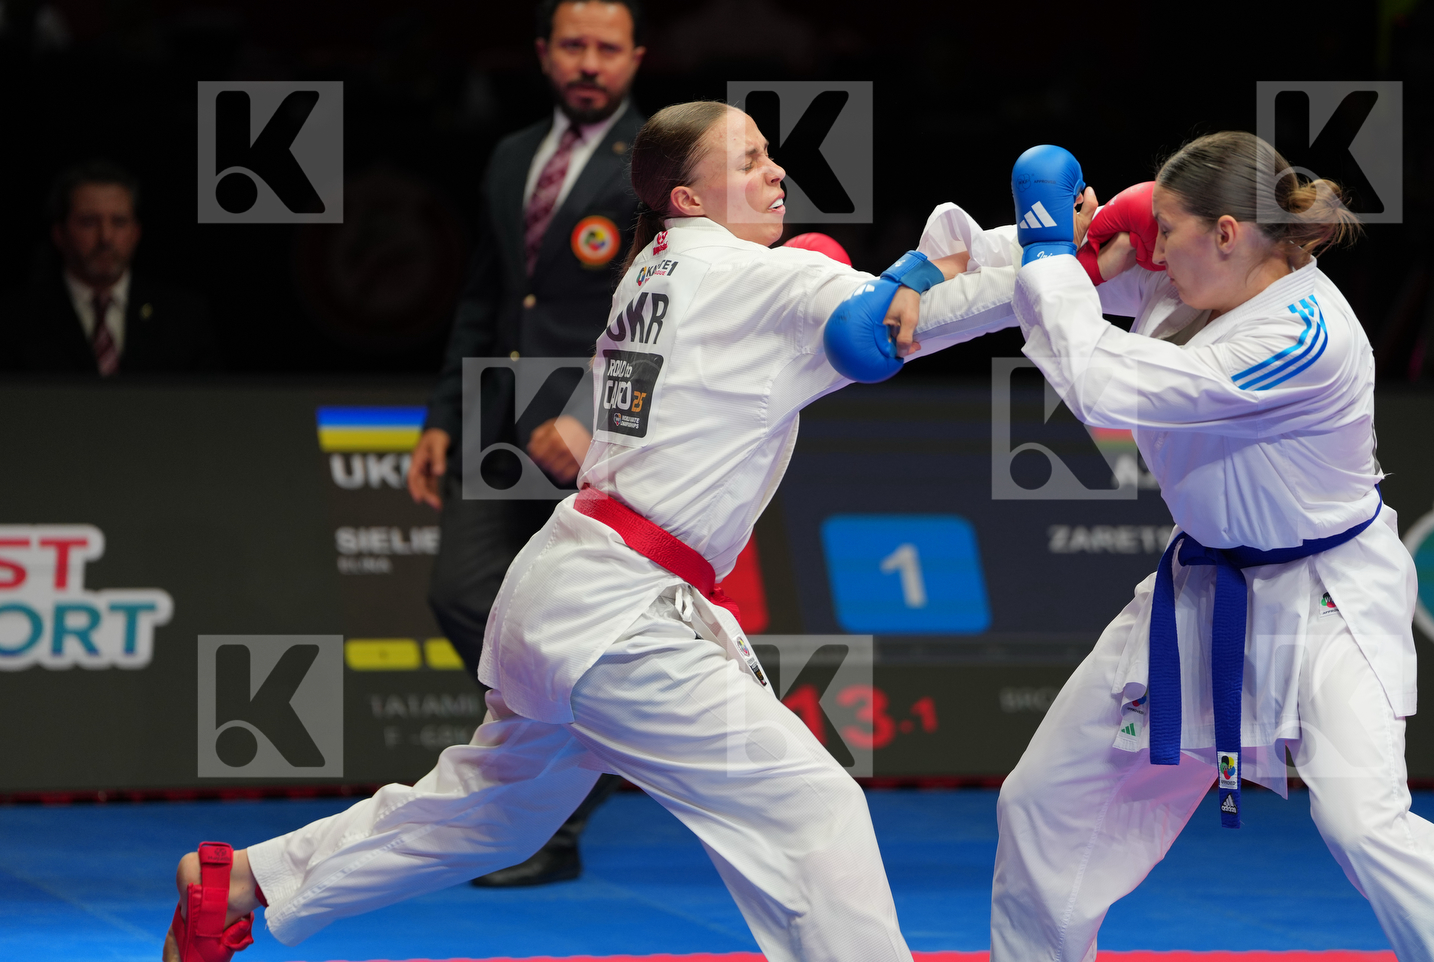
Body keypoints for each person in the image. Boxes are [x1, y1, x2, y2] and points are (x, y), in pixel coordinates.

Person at [160, 100, 1022, 962]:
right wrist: (1061, 265)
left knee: (491, 814)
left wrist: (1040, 248)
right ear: (687, 199)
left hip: (569, 589)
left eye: (772, 156)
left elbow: (893, 299)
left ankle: (240, 880)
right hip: (622, 618)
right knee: (809, 806)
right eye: (751, 158)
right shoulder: (747, 276)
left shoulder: (653, 268)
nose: (777, 173)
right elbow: (908, 321)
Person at [986, 133, 1434, 961]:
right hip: (1197, 591)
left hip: (1324, 598)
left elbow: (1098, 384)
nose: (1156, 250)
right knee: (1043, 801)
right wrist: (1031, 257)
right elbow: (1043, 304)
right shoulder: (1191, 277)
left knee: (1362, 821)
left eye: (1170, 230)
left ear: (1229, 233)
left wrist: (1056, 248)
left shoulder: (1304, 336)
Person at [404, 0, 648, 888]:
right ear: (544, 53)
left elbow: (658, 306)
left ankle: (557, 815)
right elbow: (484, 298)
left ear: (636, 60)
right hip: (497, 419)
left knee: (569, 614)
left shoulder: (659, 158)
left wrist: (588, 415)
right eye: (573, 46)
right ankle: (592, 743)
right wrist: (441, 420)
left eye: (608, 48)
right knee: (462, 593)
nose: (589, 64)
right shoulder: (511, 154)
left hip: (598, 431)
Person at [0, 160, 217, 374]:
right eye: (89, 222)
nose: (106, 237)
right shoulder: (15, 321)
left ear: (136, 233)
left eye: (119, 222)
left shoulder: (183, 318)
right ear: (59, 234)